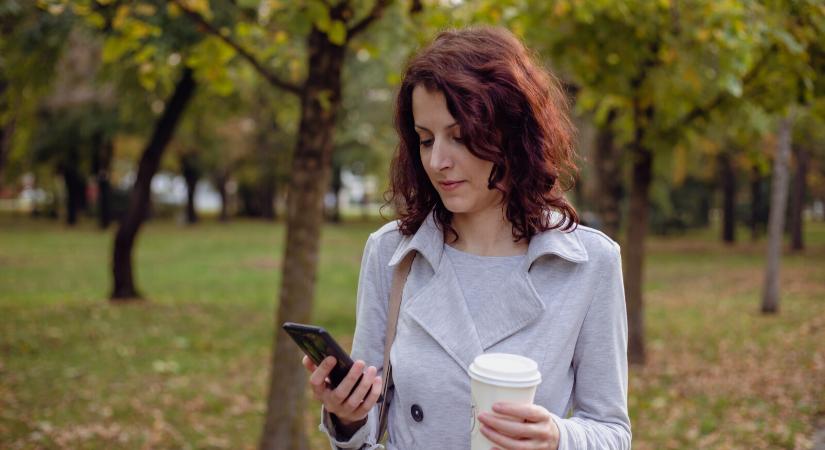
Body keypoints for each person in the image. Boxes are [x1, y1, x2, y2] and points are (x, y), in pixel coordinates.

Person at [302, 26, 631, 450]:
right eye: (425, 139)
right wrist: (345, 417)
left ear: (515, 134)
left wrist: (557, 437)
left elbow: (612, 432)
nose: (437, 161)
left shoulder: (589, 263)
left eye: (459, 136)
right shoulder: (393, 253)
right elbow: (366, 429)